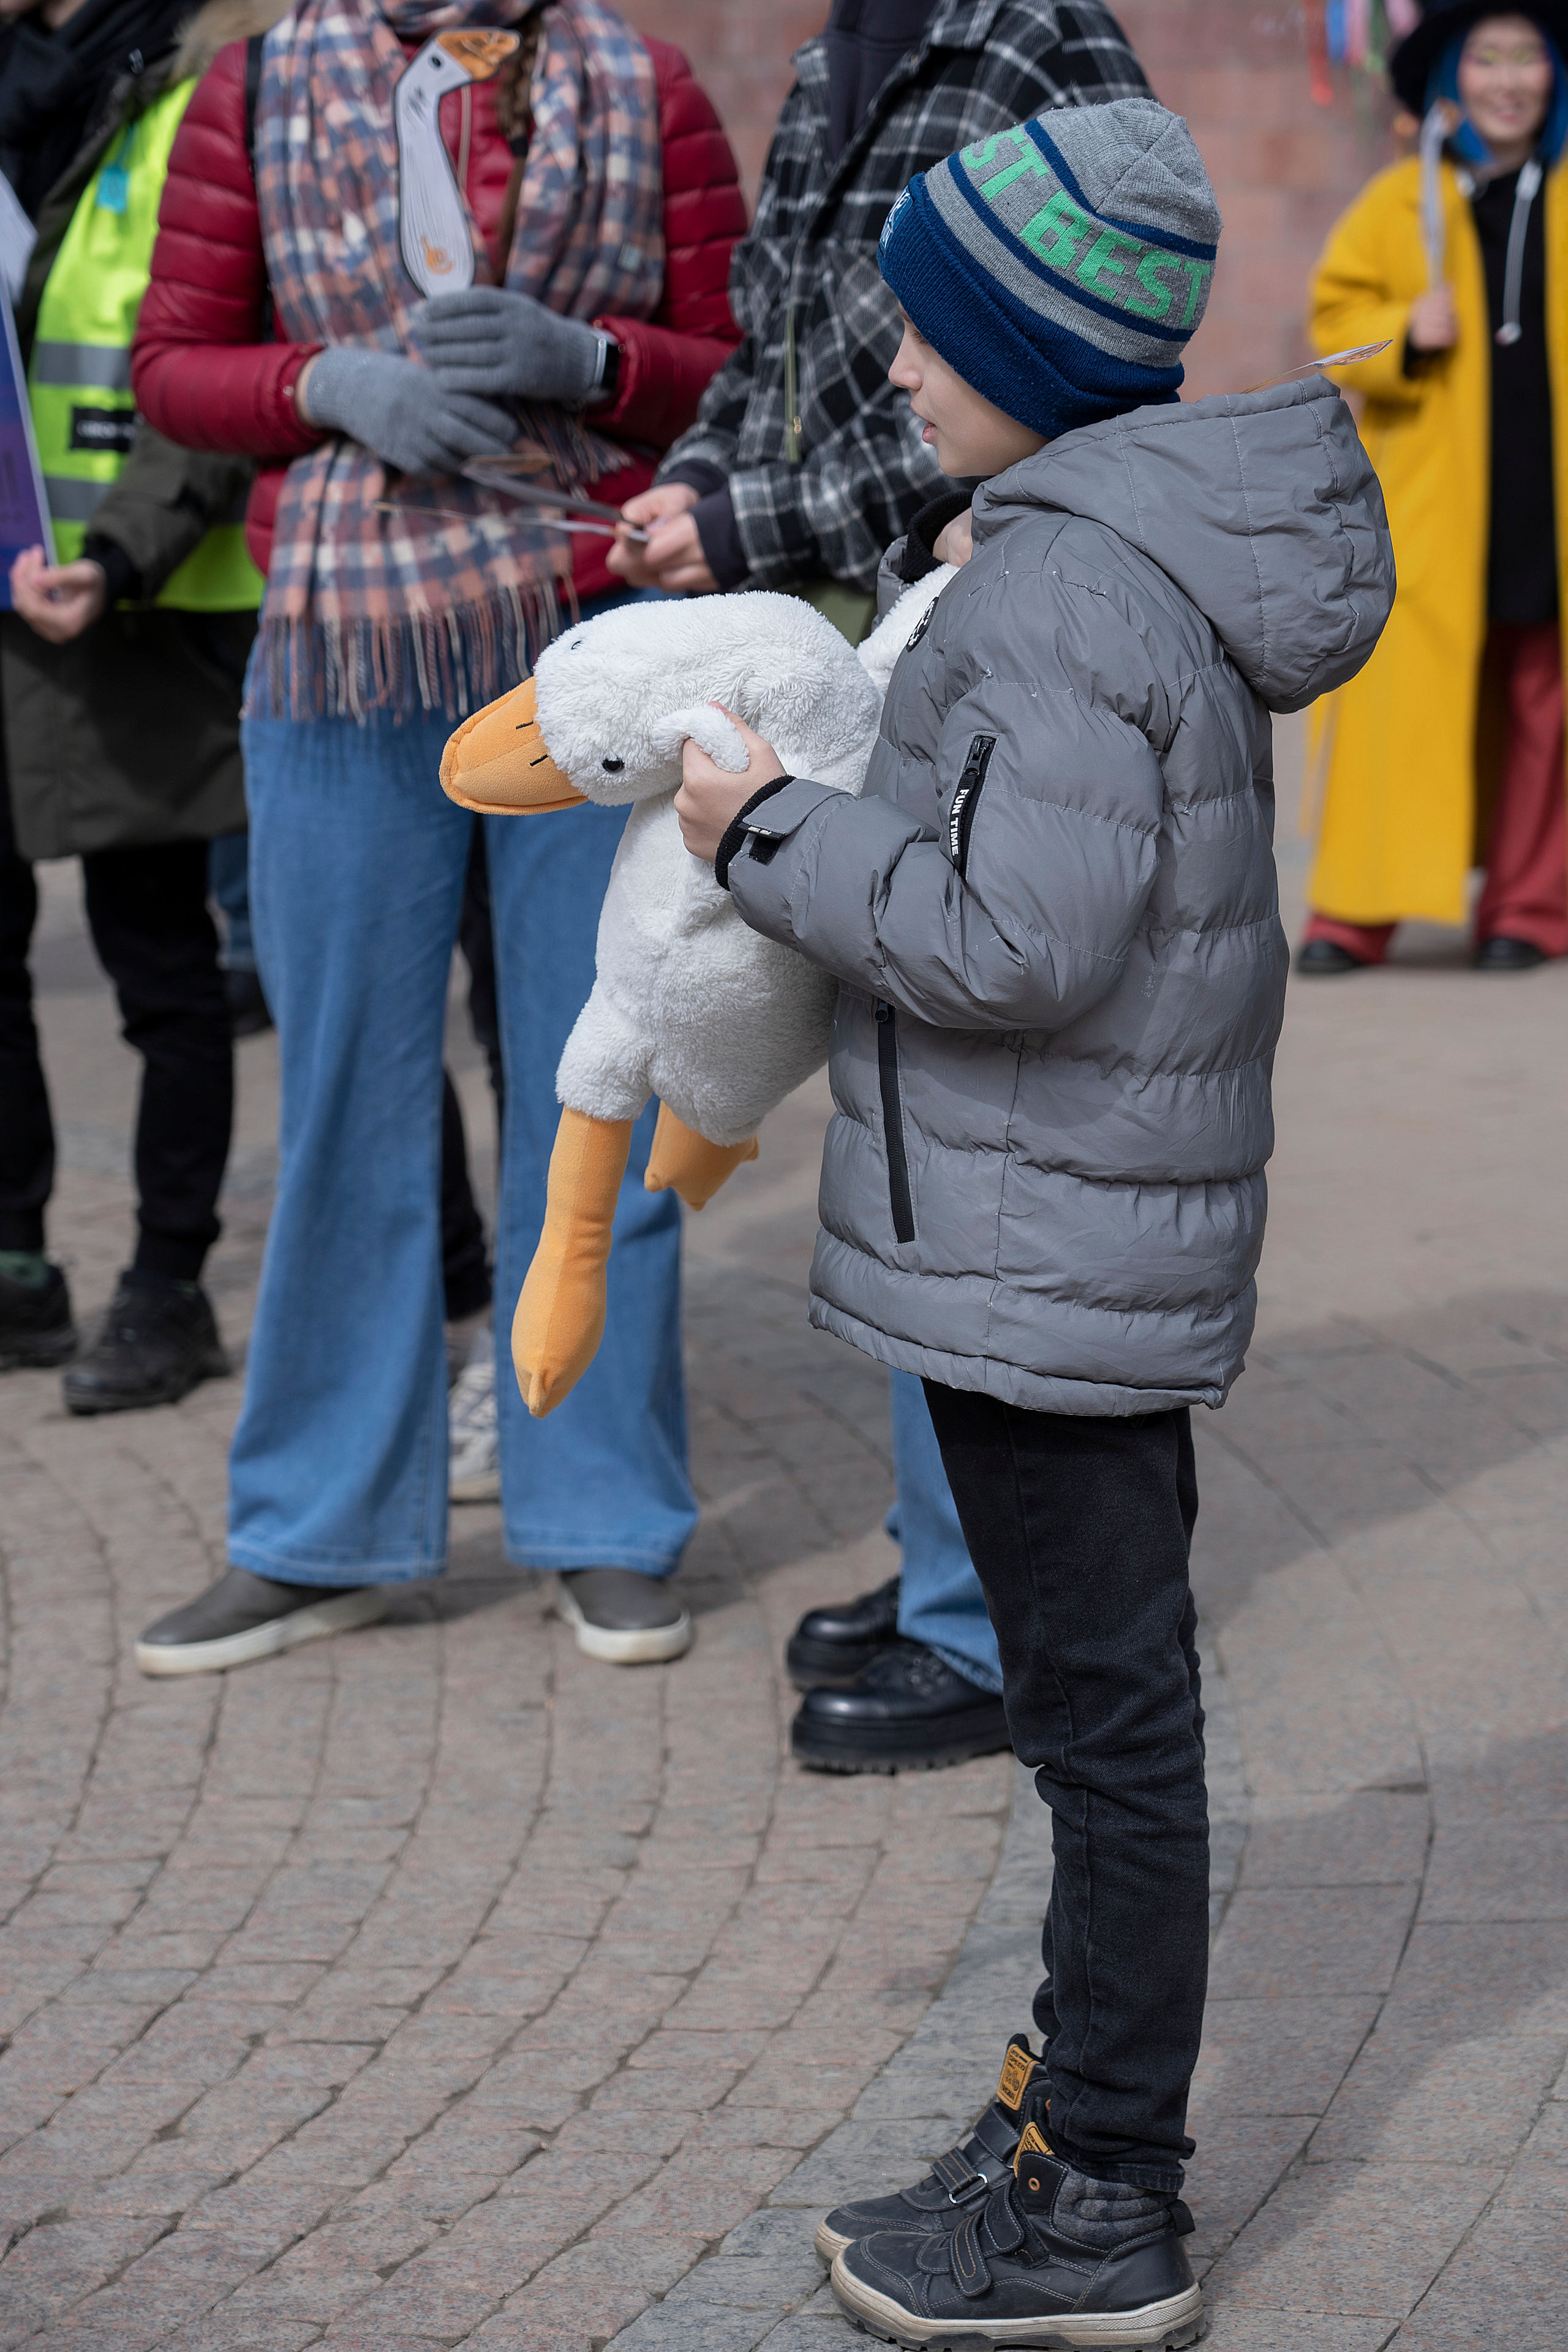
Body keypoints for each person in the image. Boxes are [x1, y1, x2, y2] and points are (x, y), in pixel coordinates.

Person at [673, 98, 1393, 2345]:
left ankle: (1104, 2203)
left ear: (1037, 353)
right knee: (1100, 1717)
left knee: (1107, 1730)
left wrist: (765, 829)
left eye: (932, 331)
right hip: (1057, 1236)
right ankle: (1069, 2123)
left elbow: (1013, 943)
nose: (896, 366)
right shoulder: (1089, 558)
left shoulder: (1062, 594)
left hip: (1047, 1255)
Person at [127, 0, 747, 1676]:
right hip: (342, 660)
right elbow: (172, 367)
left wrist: (587, 362)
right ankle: (318, 1531)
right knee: (343, 1096)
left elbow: (738, 365)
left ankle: (602, 1514)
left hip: (593, 646)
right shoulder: (259, 83)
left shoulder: (643, 81)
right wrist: (321, 381)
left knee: (600, 1082)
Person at [611, 0, 1157, 1776]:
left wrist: (757, 523)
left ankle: (992, 1620)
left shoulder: (1039, 38)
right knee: (902, 1114)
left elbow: (1080, 362)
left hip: (961, 600)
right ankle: (956, 1554)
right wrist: (705, 488)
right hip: (851, 608)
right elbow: (773, 334)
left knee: (973, 1126)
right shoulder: (836, 52)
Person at [0, 0, 268, 1405]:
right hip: (16, 588)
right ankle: (17, 1265)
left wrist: (117, 553)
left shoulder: (194, 84)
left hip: (138, 602)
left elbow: (209, 352)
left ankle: (167, 1285)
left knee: (161, 967)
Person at [1300, 0, 1568, 973]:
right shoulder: (1397, 203)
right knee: (1396, 705)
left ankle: (1528, 909)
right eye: (1486, 58)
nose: (1508, 80)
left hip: (1547, 501)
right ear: (1454, 77)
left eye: (1527, 57)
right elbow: (1334, 327)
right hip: (1433, 502)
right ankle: (1355, 912)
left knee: (1544, 703)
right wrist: (1405, 331)